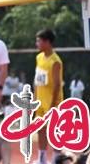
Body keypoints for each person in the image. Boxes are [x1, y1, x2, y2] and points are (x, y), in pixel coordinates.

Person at [34, 29, 63, 164]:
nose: (37, 44)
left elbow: (57, 84)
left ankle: (57, 158)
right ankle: (42, 157)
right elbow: (37, 80)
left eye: (39, 41)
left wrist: (52, 104)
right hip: (40, 100)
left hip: (52, 102)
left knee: (55, 130)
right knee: (40, 129)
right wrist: (35, 99)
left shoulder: (55, 61)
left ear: (47, 42)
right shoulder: (39, 57)